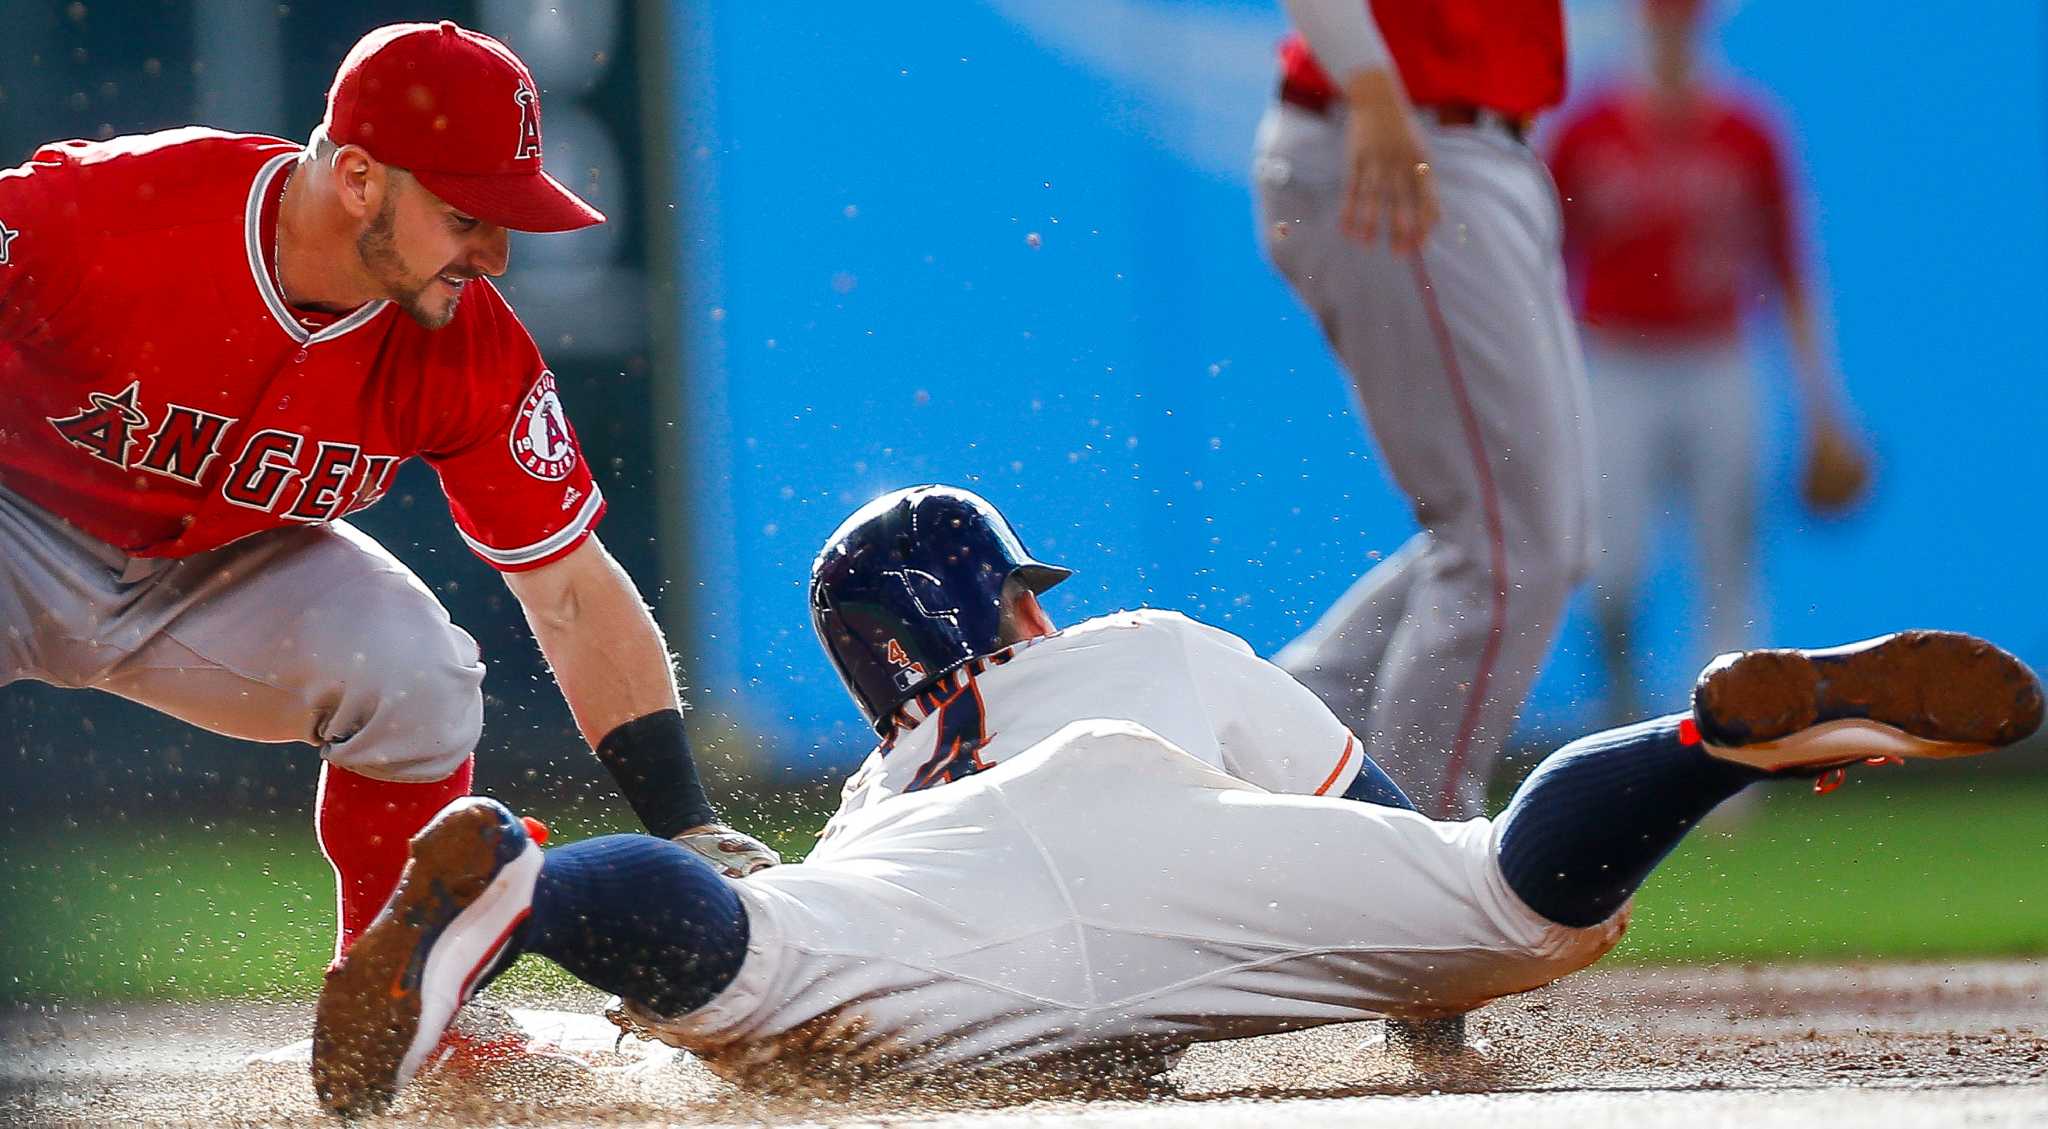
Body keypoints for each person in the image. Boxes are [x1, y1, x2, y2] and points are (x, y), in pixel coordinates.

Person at [309, 484, 2042, 1117]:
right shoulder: (1147, 641)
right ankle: (1708, 742)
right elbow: (1368, 819)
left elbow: (754, 1004)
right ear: (1014, 605)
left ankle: (523, 881)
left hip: (929, 885)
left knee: (748, 973)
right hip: (1174, 834)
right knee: (1509, 885)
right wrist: (1430, 1001)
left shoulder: (874, 786)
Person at [0, 20, 777, 982]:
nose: (495, 254)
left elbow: (570, 589)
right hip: (18, 524)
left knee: (416, 672)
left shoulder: (466, 345)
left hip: (213, 576)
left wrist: (685, 822)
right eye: (467, 216)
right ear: (361, 177)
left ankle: (405, 1004)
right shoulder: (107, 208)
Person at [1254, 0, 1595, 824]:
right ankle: (1419, 857)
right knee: (1509, 548)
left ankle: (1257, 755)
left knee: (1540, 540)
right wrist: (1373, 90)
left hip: (1466, 143)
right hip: (1394, 137)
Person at [1545, 0, 1870, 721]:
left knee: (1728, 568)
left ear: (1704, 27)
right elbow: (1541, 265)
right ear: (1638, 26)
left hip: (1719, 358)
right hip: (1614, 361)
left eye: (1683, 20)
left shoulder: (1748, 131)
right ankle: (1624, 724)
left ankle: (1726, 749)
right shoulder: (1588, 131)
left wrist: (1823, 404)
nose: (1671, 33)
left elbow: (1789, 270)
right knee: (1612, 571)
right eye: (1660, 20)